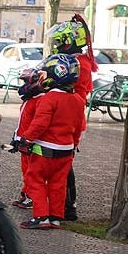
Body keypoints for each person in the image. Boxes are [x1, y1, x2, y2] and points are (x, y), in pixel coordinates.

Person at [17, 53, 86, 229]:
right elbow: (79, 127)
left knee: (34, 179)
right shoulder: (78, 100)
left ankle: (41, 217)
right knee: (58, 184)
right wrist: (74, 144)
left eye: (46, 74)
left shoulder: (49, 98)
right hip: (66, 150)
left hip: (45, 150)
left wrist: (26, 139)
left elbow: (40, 124)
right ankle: (56, 217)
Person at [44, 15, 97, 221]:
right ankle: (56, 202)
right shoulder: (75, 60)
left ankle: (68, 206)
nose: (57, 45)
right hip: (63, 116)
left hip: (68, 118)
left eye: (60, 41)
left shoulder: (78, 64)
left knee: (63, 164)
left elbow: (64, 86)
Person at [10, 66, 47, 209]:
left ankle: (32, 198)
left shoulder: (40, 100)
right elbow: (22, 122)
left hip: (32, 143)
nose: (24, 87)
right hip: (24, 140)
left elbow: (37, 125)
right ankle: (26, 194)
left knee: (32, 172)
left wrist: (27, 140)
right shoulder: (29, 99)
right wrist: (16, 138)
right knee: (26, 171)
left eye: (26, 83)